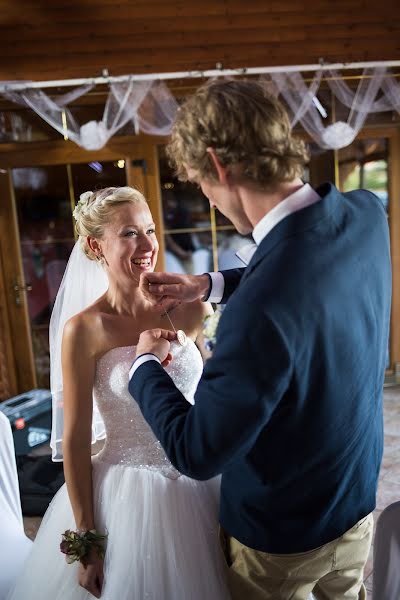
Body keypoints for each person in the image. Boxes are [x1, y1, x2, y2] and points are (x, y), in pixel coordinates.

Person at [129, 80, 392, 600]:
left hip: (280, 541)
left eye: (201, 185)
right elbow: (309, 275)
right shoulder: (364, 214)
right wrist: (210, 284)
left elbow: (198, 451)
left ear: (218, 167)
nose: (207, 196)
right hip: (357, 499)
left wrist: (144, 370)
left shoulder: (260, 310)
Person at [7, 186, 230, 600]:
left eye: (149, 229)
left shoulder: (193, 309)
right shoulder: (84, 329)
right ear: (96, 246)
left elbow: (215, 395)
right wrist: (87, 538)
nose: (147, 245)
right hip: (125, 496)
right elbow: (74, 440)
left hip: (201, 478)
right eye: (129, 233)